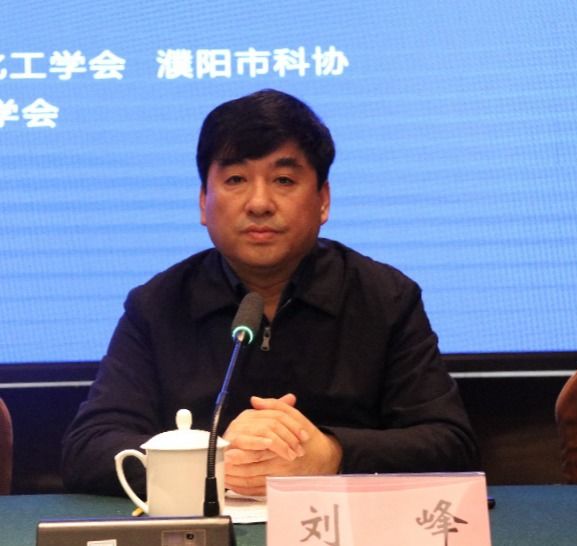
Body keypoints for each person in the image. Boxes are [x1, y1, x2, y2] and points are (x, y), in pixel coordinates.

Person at [62, 89, 479, 497]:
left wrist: (331, 455)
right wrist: (213, 459)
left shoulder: (385, 298)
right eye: (236, 179)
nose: (259, 203)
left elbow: (451, 443)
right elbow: (88, 448)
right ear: (203, 201)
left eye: (283, 180)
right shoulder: (158, 305)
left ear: (323, 200)